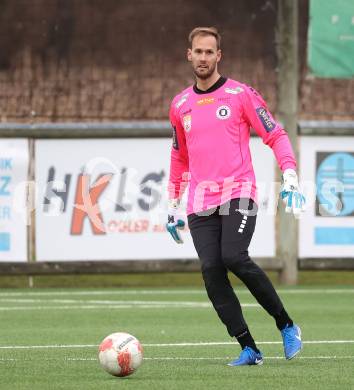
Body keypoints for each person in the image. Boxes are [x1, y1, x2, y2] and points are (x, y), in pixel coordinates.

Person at [166, 27, 306, 366]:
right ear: (189, 55)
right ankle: (249, 348)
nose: (203, 58)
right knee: (212, 270)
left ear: (219, 56)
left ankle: (286, 324)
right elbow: (179, 157)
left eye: (209, 52)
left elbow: (275, 134)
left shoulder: (240, 95)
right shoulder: (180, 104)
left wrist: (289, 173)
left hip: (238, 192)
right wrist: (172, 203)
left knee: (233, 257)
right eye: (197, 52)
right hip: (200, 202)